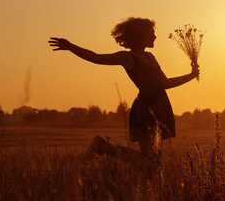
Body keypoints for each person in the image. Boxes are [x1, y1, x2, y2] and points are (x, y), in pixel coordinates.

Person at [48, 17, 199, 170]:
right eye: (150, 34)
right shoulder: (127, 57)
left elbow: (165, 84)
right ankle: (105, 148)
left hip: (160, 107)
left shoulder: (150, 57)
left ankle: (111, 155)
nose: (154, 36)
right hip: (146, 109)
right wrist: (70, 47)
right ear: (137, 37)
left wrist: (191, 75)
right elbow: (96, 58)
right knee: (152, 164)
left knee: (154, 163)